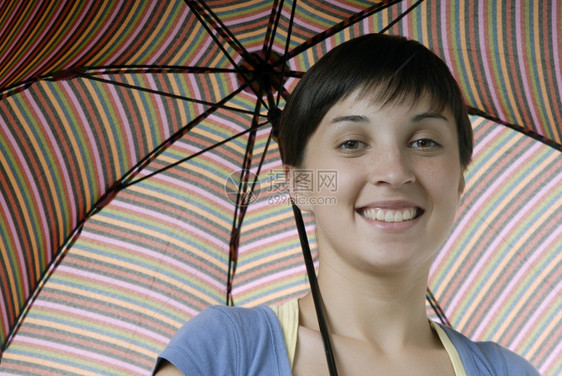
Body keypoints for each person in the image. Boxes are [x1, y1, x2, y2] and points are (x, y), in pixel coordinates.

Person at [153, 34, 540, 375]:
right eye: (351, 143)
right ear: (300, 185)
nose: (394, 171)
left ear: (459, 179)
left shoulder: (506, 371)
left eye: (424, 141)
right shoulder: (225, 353)